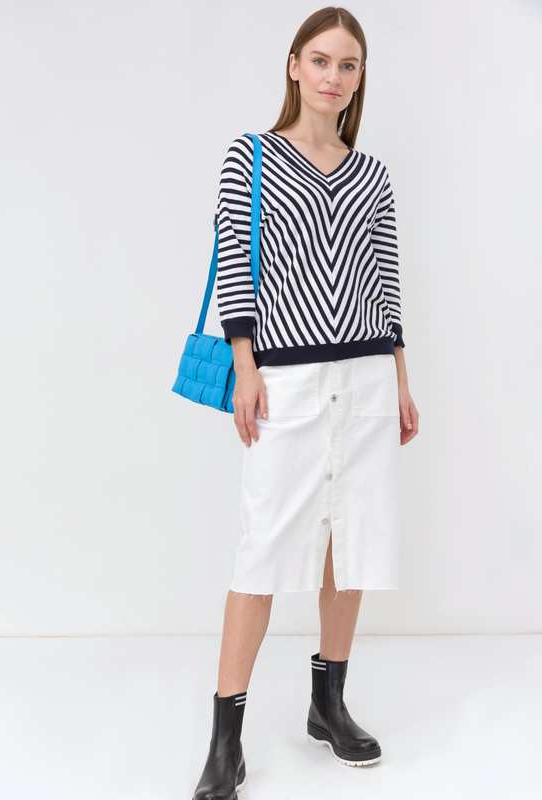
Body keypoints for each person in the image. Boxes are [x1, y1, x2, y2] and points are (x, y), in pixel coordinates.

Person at [192, 7, 419, 798]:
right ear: (294, 65)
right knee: (260, 551)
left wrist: (400, 376)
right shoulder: (250, 157)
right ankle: (226, 742)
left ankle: (329, 705)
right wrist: (246, 364)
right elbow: (234, 265)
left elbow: (386, 281)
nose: (333, 76)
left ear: (359, 78)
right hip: (283, 377)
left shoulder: (372, 174)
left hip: (365, 374)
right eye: (320, 60)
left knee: (350, 545)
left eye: (347, 65)